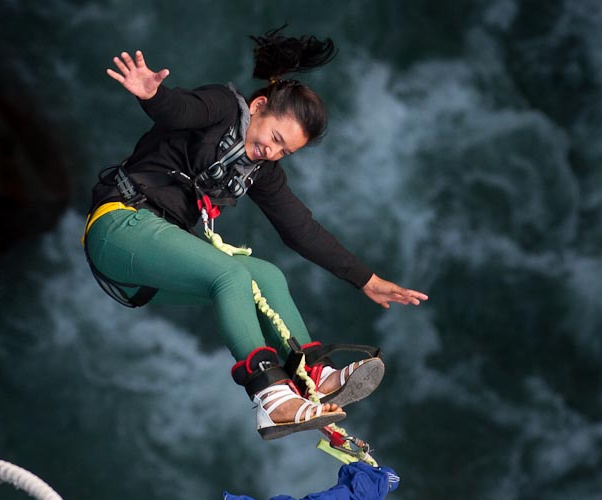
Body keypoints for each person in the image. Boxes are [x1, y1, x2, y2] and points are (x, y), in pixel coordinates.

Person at [83, 28, 428, 441]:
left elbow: (301, 229)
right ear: (259, 106)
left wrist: (366, 280)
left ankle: (310, 374)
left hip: (144, 273)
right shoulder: (221, 108)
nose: (273, 153)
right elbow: (179, 111)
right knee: (229, 275)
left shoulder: (261, 171)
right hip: (118, 228)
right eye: (275, 139)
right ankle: (269, 396)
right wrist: (152, 95)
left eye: (285, 152)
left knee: (266, 276)